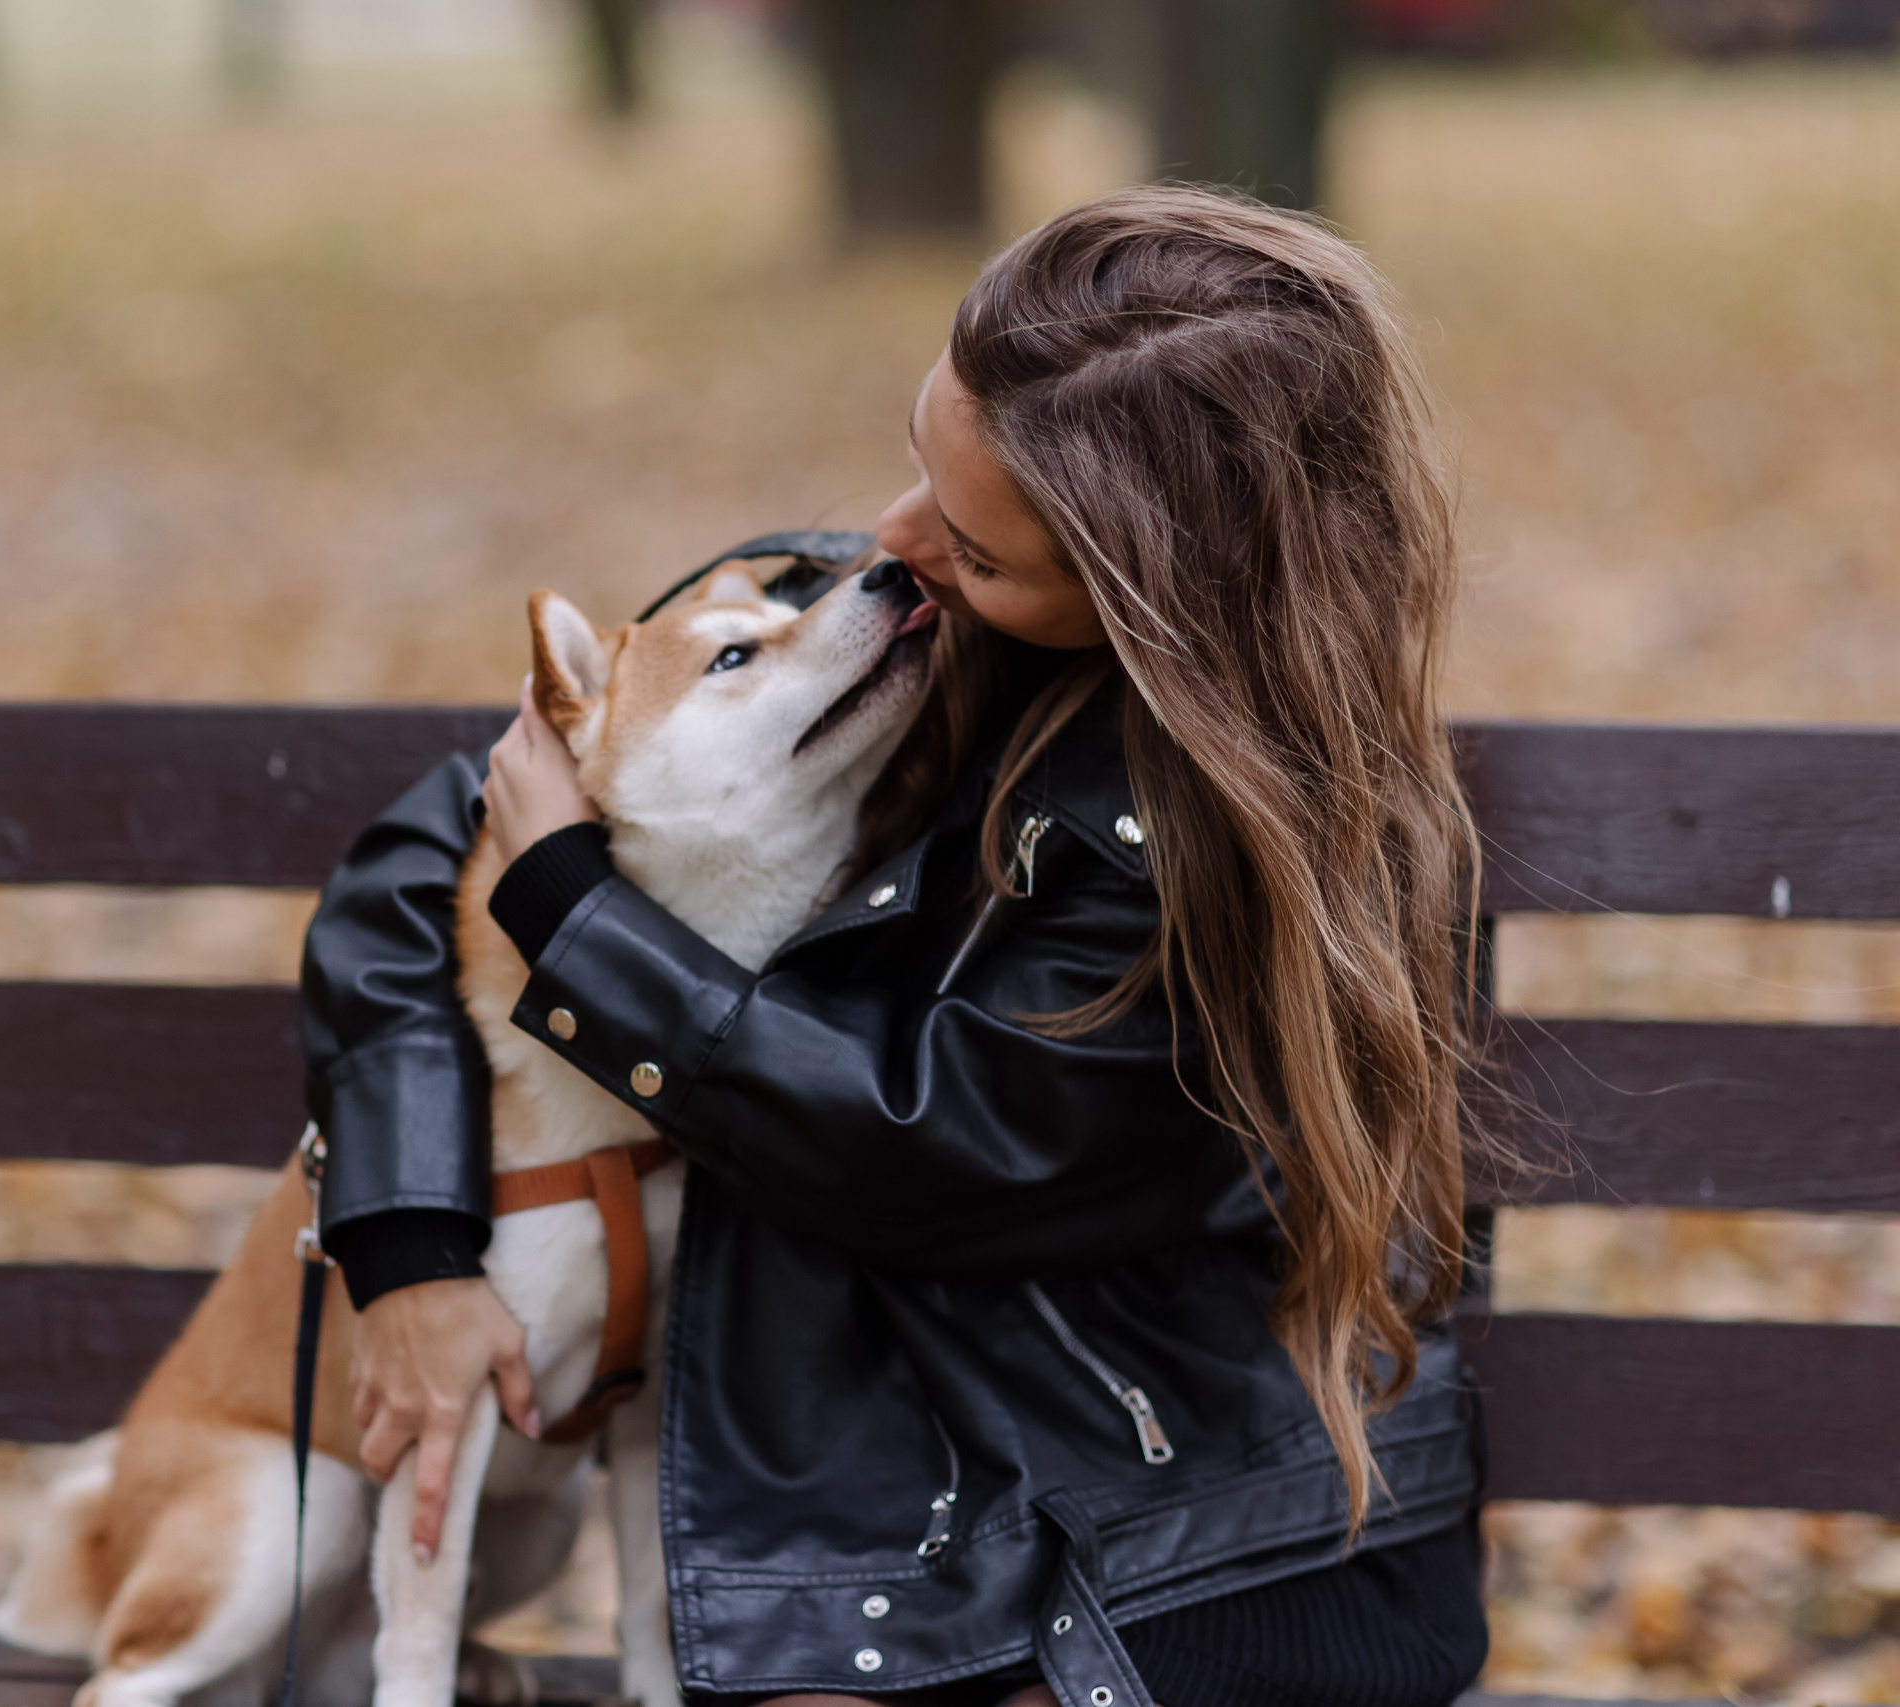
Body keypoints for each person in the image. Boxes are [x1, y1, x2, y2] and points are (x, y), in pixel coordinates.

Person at [299, 186, 1492, 1707]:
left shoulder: (1242, 856)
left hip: (1193, 1525)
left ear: (1150, 604)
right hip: (883, 1482)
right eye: (917, 457)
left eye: (980, 552)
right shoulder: (869, 605)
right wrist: (407, 1244)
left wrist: (576, 917)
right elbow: (420, 865)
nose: (892, 541)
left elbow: (919, 1148)